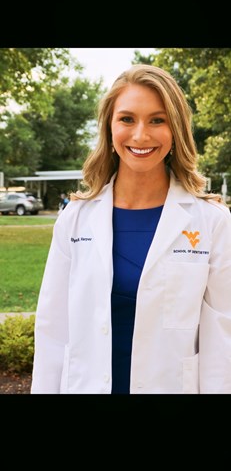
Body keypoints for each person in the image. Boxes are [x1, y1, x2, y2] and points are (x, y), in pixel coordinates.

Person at [31, 64, 231, 394]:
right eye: (127, 119)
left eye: (157, 120)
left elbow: (222, 338)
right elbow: (53, 330)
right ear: (109, 129)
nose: (140, 135)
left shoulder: (211, 221)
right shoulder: (75, 219)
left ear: (175, 130)